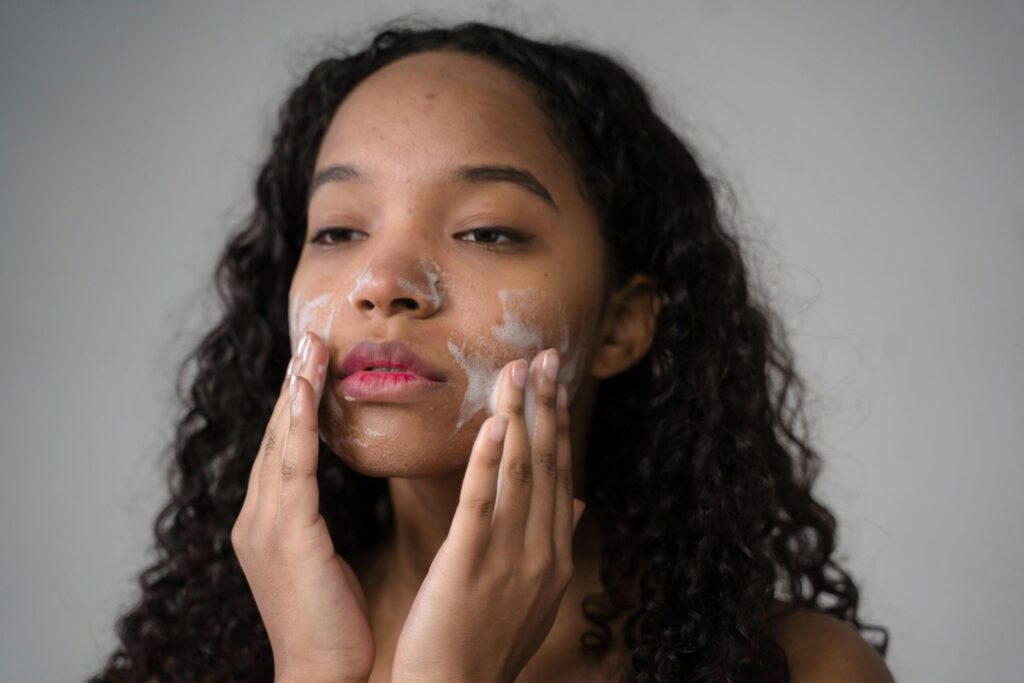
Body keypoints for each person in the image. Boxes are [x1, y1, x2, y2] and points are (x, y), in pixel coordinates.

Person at [90, 18, 894, 683]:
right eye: (338, 230)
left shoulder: (802, 672)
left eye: (485, 230)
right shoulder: (193, 661)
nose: (383, 282)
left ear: (623, 324)